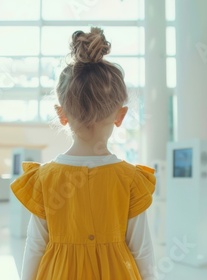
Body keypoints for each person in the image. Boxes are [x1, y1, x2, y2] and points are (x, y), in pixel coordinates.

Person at [11, 27, 156, 279]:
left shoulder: (45, 178)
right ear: (120, 116)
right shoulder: (130, 179)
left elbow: (35, 245)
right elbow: (142, 251)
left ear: (62, 115)